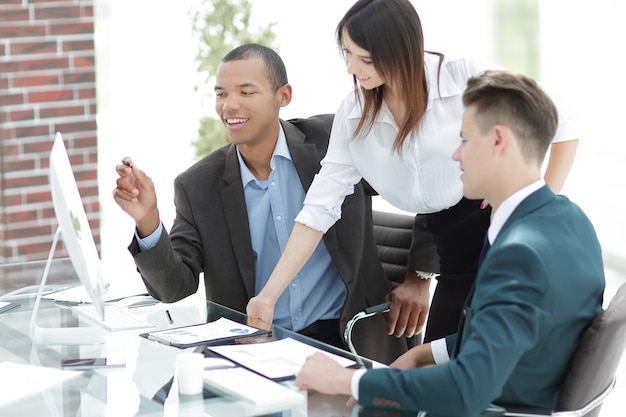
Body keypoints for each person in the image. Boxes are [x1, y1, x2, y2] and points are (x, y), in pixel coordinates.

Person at [247, 0, 581, 343]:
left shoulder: (462, 77)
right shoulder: (355, 112)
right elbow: (318, 209)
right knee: (439, 364)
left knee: (490, 366)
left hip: (498, 228)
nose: (352, 68)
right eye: (346, 53)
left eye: (366, 59)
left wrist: (535, 208)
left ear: (400, 49)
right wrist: (269, 295)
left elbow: (563, 117)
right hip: (450, 246)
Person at [295, 70, 605, 416]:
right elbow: (521, 337)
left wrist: (346, 381)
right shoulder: (571, 219)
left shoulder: (519, 255)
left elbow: (465, 390)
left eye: (464, 140)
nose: (455, 155)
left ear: (498, 140)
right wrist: (426, 353)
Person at [112, 43, 408, 364]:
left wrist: (420, 279)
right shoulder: (198, 185)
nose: (230, 105)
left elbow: (421, 178)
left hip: (350, 336)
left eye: (246, 92)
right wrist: (148, 221)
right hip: (258, 349)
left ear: (284, 96)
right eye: (221, 94)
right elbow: (173, 289)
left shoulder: (333, 142)